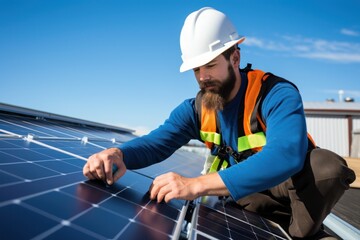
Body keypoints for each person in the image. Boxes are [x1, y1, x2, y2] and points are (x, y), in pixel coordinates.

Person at [83, 7, 355, 239]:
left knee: (326, 167)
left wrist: (195, 185)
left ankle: (302, 234)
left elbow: (285, 155)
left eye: (210, 65)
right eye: (196, 69)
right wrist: (119, 154)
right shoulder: (196, 109)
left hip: (295, 190)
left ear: (234, 58)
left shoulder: (275, 93)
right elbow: (157, 143)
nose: (202, 77)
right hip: (248, 196)